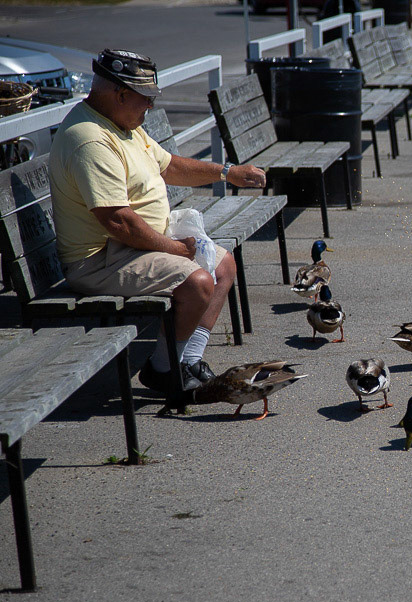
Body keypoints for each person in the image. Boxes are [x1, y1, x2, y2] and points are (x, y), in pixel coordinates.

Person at [49, 49, 267, 393]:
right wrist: (175, 248)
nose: (149, 107)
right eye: (146, 98)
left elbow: (168, 166)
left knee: (223, 266)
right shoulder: (90, 139)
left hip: (131, 246)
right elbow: (118, 222)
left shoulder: (123, 123)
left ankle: (188, 360)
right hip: (100, 261)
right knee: (196, 282)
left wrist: (228, 173)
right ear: (120, 94)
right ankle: (164, 370)